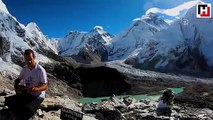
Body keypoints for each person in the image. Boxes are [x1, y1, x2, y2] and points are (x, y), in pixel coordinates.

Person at [5, 49, 48, 120]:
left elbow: (45, 85)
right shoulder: (25, 69)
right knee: (8, 101)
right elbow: (17, 80)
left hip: (38, 96)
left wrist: (36, 89)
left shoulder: (40, 70)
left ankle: (26, 109)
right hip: (27, 93)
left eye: (30, 59)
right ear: (25, 59)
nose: (29, 61)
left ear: (34, 58)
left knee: (27, 111)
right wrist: (16, 88)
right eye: (27, 60)